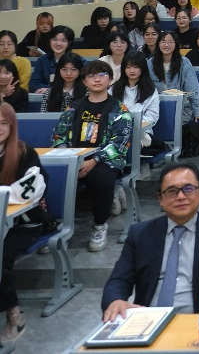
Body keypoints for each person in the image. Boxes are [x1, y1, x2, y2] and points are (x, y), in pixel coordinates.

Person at [103, 162, 199, 320]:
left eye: (188, 189)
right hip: (148, 321)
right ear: (160, 199)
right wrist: (115, 300)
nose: (181, 197)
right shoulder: (140, 234)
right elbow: (119, 279)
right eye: (172, 191)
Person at [52, 60, 132, 252]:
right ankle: (54, 226)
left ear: (110, 80)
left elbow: (119, 142)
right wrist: (70, 160)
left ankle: (100, 225)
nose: (97, 79)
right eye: (91, 76)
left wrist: (94, 161)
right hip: (74, 159)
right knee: (51, 176)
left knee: (101, 178)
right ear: (84, 81)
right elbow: (59, 136)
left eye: (102, 75)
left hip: (105, 160)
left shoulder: (119, 109)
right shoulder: (74, 107)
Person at [0, 103, 44, 341]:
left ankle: (14, 314)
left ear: (12, 126)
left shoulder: (25, 152)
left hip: (24, 223)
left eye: (4, 123)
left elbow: (28, 192)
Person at [149, 30, 199, 125]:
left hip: (180, 107)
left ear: (176, 44)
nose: (166, 45)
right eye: (163, 41)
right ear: (158, 44)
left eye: (170, 42)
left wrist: (196, 111)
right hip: (156, 106)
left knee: (171, 122)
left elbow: (192, 88)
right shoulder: (150, 63)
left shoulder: (184, 62)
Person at [113, 50, 159, 149]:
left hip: (142, 131)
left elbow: (152, 116)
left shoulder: (150, 89)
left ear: (143, 68)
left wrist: (131, 125)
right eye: (128, 67)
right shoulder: (114, 89)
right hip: (116, 131)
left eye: (136, 67)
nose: (132, 71)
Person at [30, 26, 75, 94]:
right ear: (50, 41)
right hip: (48, 98)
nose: (58, 44)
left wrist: (52, 89)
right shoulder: (42, 60)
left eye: (63, 40)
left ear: (69, 43)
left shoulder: (78, 61)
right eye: (55, 39)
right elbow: (33, 84)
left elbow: (83, 85)